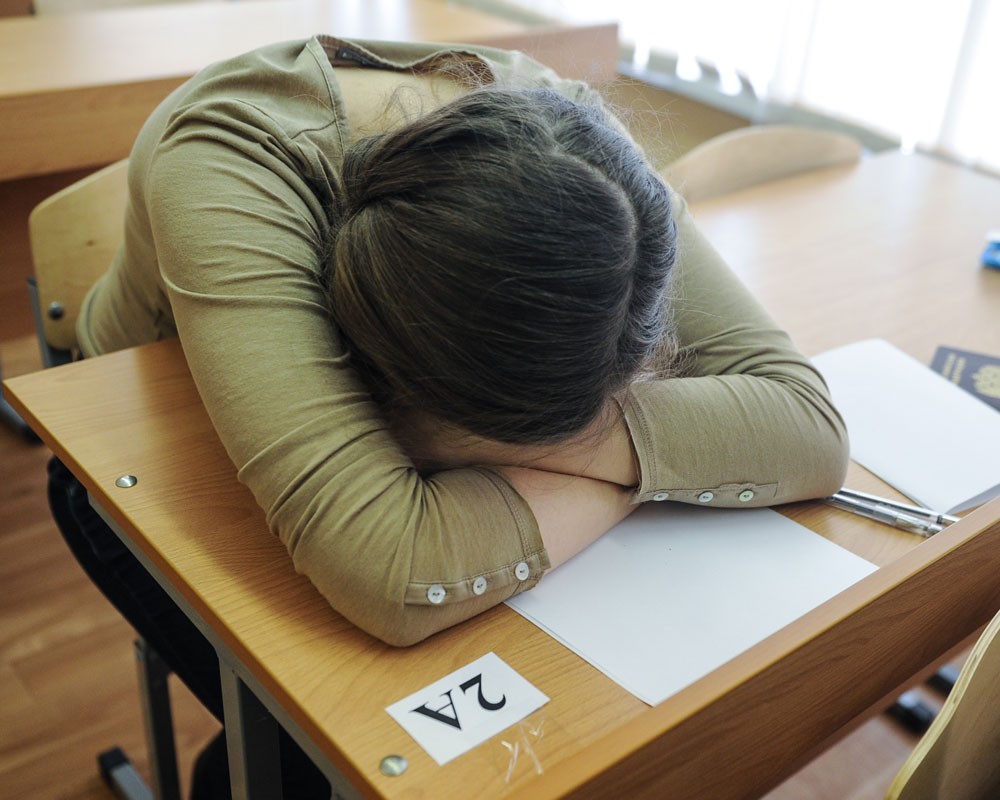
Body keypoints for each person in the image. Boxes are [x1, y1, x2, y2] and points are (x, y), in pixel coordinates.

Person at [48, 35, 849, 797]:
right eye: (523, 445)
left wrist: (588, 456)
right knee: (311, 752)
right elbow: (391, 567)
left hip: (341, 467)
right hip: (133, 468)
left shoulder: (577, 153)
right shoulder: (230, 164)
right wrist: (646, 458)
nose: (560, 452)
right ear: (404, 391)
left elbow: (806, 426)